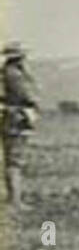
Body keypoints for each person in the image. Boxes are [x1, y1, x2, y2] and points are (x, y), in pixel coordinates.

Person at [2, 42, 40, 209]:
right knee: (15, 161)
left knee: (12, 160)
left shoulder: (6, 73)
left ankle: (14, 199)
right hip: (16, 118)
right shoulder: (15, 75)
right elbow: (27, 96)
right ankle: (15, 201)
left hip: (9, 117)